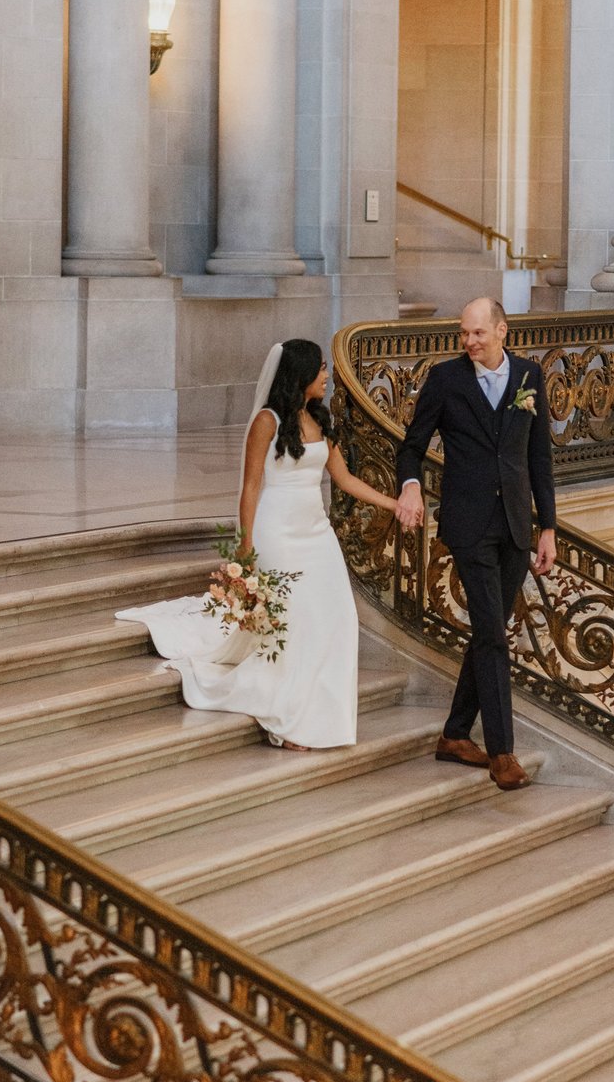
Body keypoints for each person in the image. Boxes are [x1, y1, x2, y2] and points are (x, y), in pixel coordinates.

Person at [116, 340, 397, 750]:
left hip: (317, 534)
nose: (326, 376)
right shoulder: (266, 421)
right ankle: (289, 718)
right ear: (301, 374)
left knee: (337, 618)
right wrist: (245, 544)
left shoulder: (321, 417)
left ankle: (324, 713)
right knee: (294, 623)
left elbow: (344, 479)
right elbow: (251, 485)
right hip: (277, 532)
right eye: (320, 369)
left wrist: (394, 503)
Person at [395, 297, 556, 791]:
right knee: (492, 632)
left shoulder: (529, 377)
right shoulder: (446, 380)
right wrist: (411, 486)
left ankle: (454, 733)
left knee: (489, 629)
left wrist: (546, 527)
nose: (468, 342)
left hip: (513, 524)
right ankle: (502, 753)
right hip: (467, 526)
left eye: (478, 333)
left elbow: (539, 457)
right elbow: (411, 447)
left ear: (502, 331)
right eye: (464, 333)